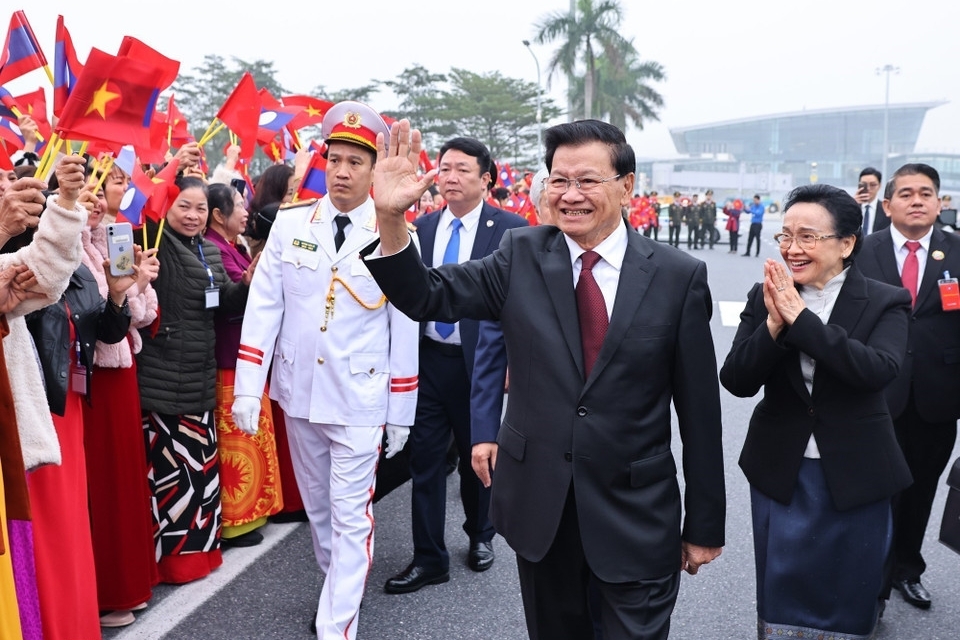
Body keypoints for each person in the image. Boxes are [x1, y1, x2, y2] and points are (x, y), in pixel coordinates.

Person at [363, 119, 725, 640]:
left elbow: (699, 413)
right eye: (559, 180)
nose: (570, 195)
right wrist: (390, 217)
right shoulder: (520, 255)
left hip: (637, 518)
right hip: (543, 513)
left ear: (626, 186)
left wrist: (705, 524)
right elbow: (426, 295)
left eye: (587, 180)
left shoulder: (677, 275)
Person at [231, 101, 419, 639]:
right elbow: (264, 309)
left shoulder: (395, 233)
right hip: (300, 394)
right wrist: (250, 388)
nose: (341, 171)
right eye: (334, 159)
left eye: (354, 162)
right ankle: (339, 588)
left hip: (361, 398)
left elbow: (405, 326)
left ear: (373, 169)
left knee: (352, 516)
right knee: (321, 516)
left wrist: (401, 409)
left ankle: (337, 626)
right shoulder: (292, 225)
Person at [720, 183, 912, 639]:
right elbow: (737, 380)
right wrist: (771, 323)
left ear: (846, 244)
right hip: (781, 467)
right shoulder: (764, 295)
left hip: (857, 468)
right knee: (782, 583)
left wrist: (801, 321)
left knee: (849, 587)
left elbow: (876, 370)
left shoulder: (887, 300)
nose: (792, 248)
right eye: (785, 236)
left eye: (808, 236)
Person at [383, 137, 527, 595]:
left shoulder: (511, 230)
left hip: (479, 365)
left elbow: (517, 306)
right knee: (424, 462)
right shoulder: (419, 228)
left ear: (486, 179)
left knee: (476, 457)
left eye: (463, 169)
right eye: (444, 168)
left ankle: (480, 533)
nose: (450, 176)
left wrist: (511, 364)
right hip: (427, 362)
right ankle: (428, 557)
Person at [137, 175, 255, 585]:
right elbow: (150, 199)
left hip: (200, 378)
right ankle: (173, 564)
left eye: (200, 208)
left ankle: (202, 556)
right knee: (173, 479)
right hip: (164, 379)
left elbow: (222, 303)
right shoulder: (158, 241)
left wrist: (244, 283)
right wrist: (170, 168)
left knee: (201, 475)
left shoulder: (207, 249)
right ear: (169, 207)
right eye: (183, 206)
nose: (192, 215)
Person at [857, 163, 960, 611]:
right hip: (876, 393)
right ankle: (871, 581)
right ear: (887, 204)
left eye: (926, 193)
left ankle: (907, 570)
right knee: (876, 491)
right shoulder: (862, 250)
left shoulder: (957, 251)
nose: (916, 200)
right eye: (906, 194)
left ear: (940, 203)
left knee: (920, 490)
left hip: (938, 397)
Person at [78, 175, 161, 628]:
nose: (94, 201)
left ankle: (131, 581)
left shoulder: (108, 242)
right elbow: (99, 315)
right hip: (94, 380)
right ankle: (110, 590)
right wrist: (126, 291)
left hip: (121, 370)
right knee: (106, 484)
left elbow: (142, 315)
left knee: (126, 479)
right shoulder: (68, 249)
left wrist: (140, 282)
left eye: (100, 191)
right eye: (86, 191)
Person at [205, 183, 283, 548]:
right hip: (228, 358)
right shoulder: (213, 250)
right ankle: (236, 520)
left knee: (252, 439)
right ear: (218, 215)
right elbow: (227, 301)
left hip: (244, 354)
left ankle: (252, 514)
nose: (245, 210)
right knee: (239, 446)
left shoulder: (232, 246)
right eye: (238, 205)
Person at [854, 167, 888, 236]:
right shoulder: (852, 207)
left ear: (879, 186)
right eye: (864, 185)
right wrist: (851, 204)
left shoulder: (886, 209)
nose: (868, 188)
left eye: (872, 185)